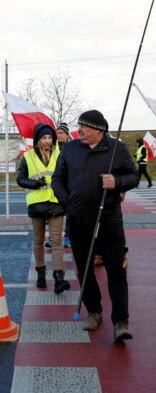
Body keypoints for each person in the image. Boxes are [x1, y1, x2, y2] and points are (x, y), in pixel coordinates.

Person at [52, 110, 138, 342]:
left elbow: (133, 176)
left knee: (115, 270)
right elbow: (57, 178)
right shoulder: (69, 149)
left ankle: (120, 321)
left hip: (108, 219)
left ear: (98, 131)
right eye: (79, 126)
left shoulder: (116, 148)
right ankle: (94, 311)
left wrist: (117, 182)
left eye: (84, 127)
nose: (79, 130)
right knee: (84, 268)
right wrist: (66, 201)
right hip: (78, 219)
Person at [17, 123, 70, 294]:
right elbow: (20, 179)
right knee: (39, 240)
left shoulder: (60, 155)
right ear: (37, 139)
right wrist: (36, 183)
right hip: (37, 203)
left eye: (50, 138)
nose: (47, 141)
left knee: (56, 241)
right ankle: (41, 274)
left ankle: (59, 279)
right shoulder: (28, 156)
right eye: (44, 138)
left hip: (56, 202)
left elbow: (67, 178)